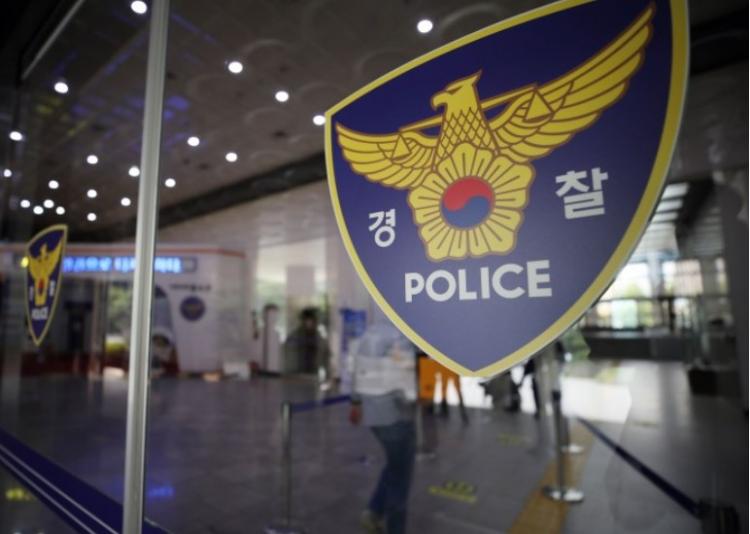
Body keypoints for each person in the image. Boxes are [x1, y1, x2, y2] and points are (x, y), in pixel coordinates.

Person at [348, 317, 416, 534]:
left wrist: (356, 402)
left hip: (372, 413)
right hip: (395, 417)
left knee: (395, 466)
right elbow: (404, 382)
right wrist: (415, 399)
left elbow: (357, 369)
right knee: (401, 478)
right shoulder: (402, 336)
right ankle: (395, 528)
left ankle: (374, 511)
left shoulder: (370, 332)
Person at [283, 307, 329, 376]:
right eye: (311, 320)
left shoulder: (319, 338)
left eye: (316, 321)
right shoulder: (294, 337)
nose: (314, 323)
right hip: (295, 375)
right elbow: (287, 359)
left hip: (313, 376)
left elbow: (325, 358)